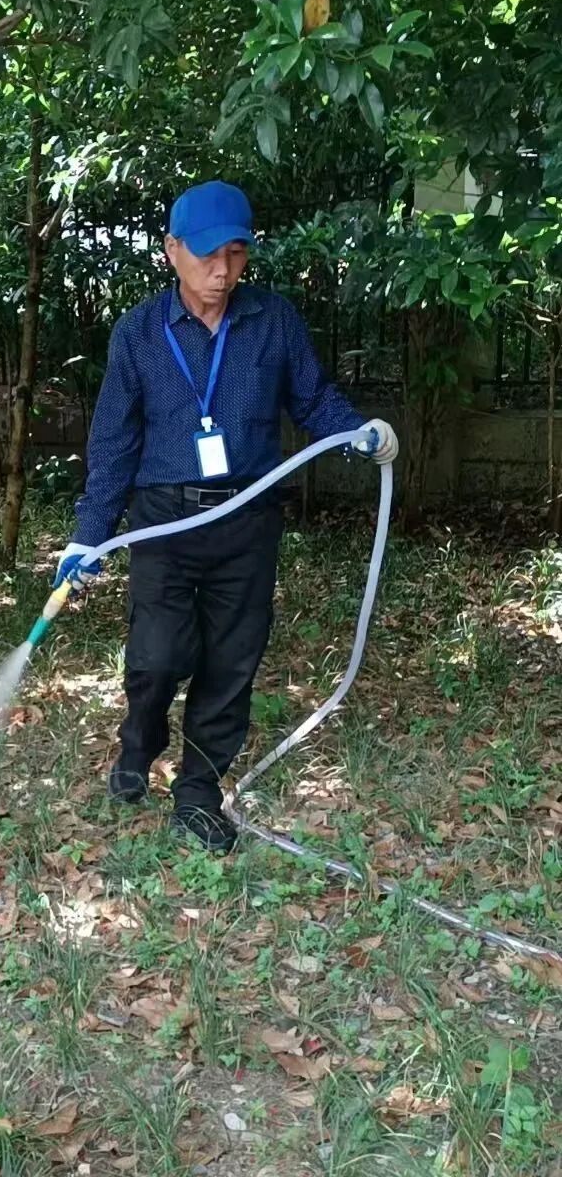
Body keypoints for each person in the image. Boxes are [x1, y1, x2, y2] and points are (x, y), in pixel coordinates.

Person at [54, 180, 398, 853]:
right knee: (156, 657)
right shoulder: (138, 334)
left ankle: (199, 793)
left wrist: (361, 433)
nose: (223, 270)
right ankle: (139, 743)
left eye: (236, 254)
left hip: (247, 522)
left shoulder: (273, 320)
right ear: (171, 250)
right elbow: (114, 446)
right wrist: (87, 537)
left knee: (232, 663)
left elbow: (313, 399)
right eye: (209, 255)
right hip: (166, 522)